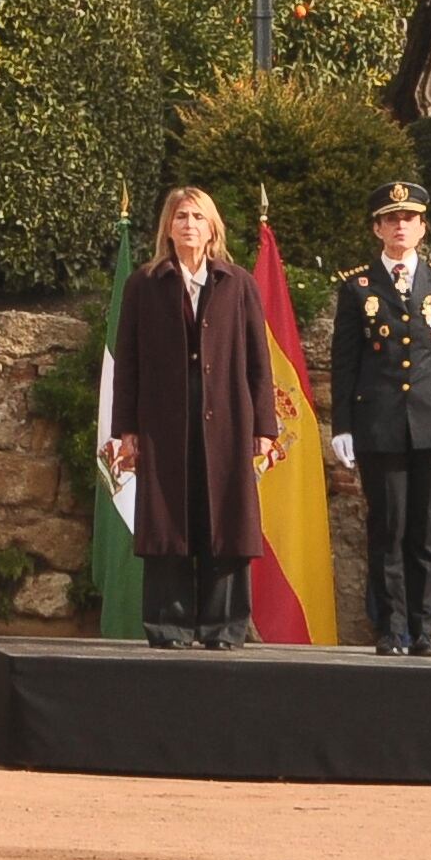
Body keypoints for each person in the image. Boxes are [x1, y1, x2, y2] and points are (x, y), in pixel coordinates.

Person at [108, 187, 281, 651]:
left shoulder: (237, 283)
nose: (189, 224)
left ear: (212, 228)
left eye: (198, 217)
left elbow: (258, 361)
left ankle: (224, 627)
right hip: (164, 424)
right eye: (181, 216)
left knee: (225, 521)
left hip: (226, 422)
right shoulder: (144, 283)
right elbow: (128, 361)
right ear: (168, 225)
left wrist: (264, 428)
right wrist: (126, 430)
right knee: (169, 522)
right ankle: (171, 626)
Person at [325, 179, 431, 656]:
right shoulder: (358, 286)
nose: (400, 225)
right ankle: (392, 628)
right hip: (380, 422)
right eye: (391, 218)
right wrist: (344, 425)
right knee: (387, 528)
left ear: (422, 226)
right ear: (378, 228)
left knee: (427, 529)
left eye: (408, 218)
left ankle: (425, 627)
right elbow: (345, 360)